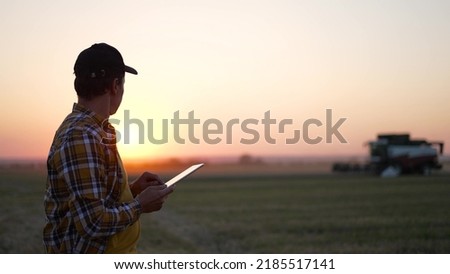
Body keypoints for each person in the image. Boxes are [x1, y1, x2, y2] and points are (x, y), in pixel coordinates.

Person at [43, 43, 174, 253]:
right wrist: (140, 205)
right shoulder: (82, 135)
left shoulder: (95, 130)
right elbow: (93, 223)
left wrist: (131, 190)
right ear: (115, 85)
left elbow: (93, 200)